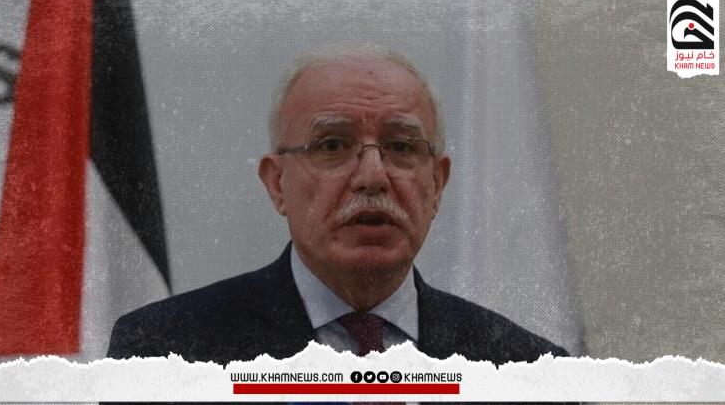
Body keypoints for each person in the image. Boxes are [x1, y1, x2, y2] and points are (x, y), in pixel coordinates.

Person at [107, 46, 568, 365]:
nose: (373, 177)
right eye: (331, 145)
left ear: (437, 184)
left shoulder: (527, 369)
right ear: (277, 184)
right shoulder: (165, 350)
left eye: (401, 147)